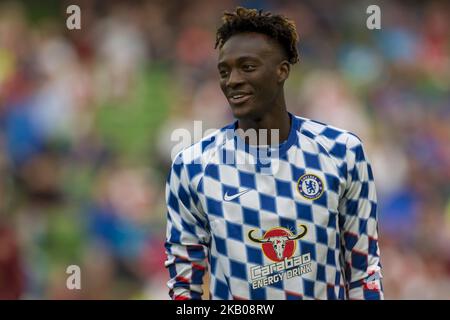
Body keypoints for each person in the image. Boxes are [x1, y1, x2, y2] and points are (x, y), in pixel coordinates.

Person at [164, 7, 383, 300]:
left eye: (248, 67)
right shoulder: (193, 167)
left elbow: (364, 269)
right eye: (224, 71)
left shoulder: (342, 152)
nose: (233, 81)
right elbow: (184, 285)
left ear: (282, 71)